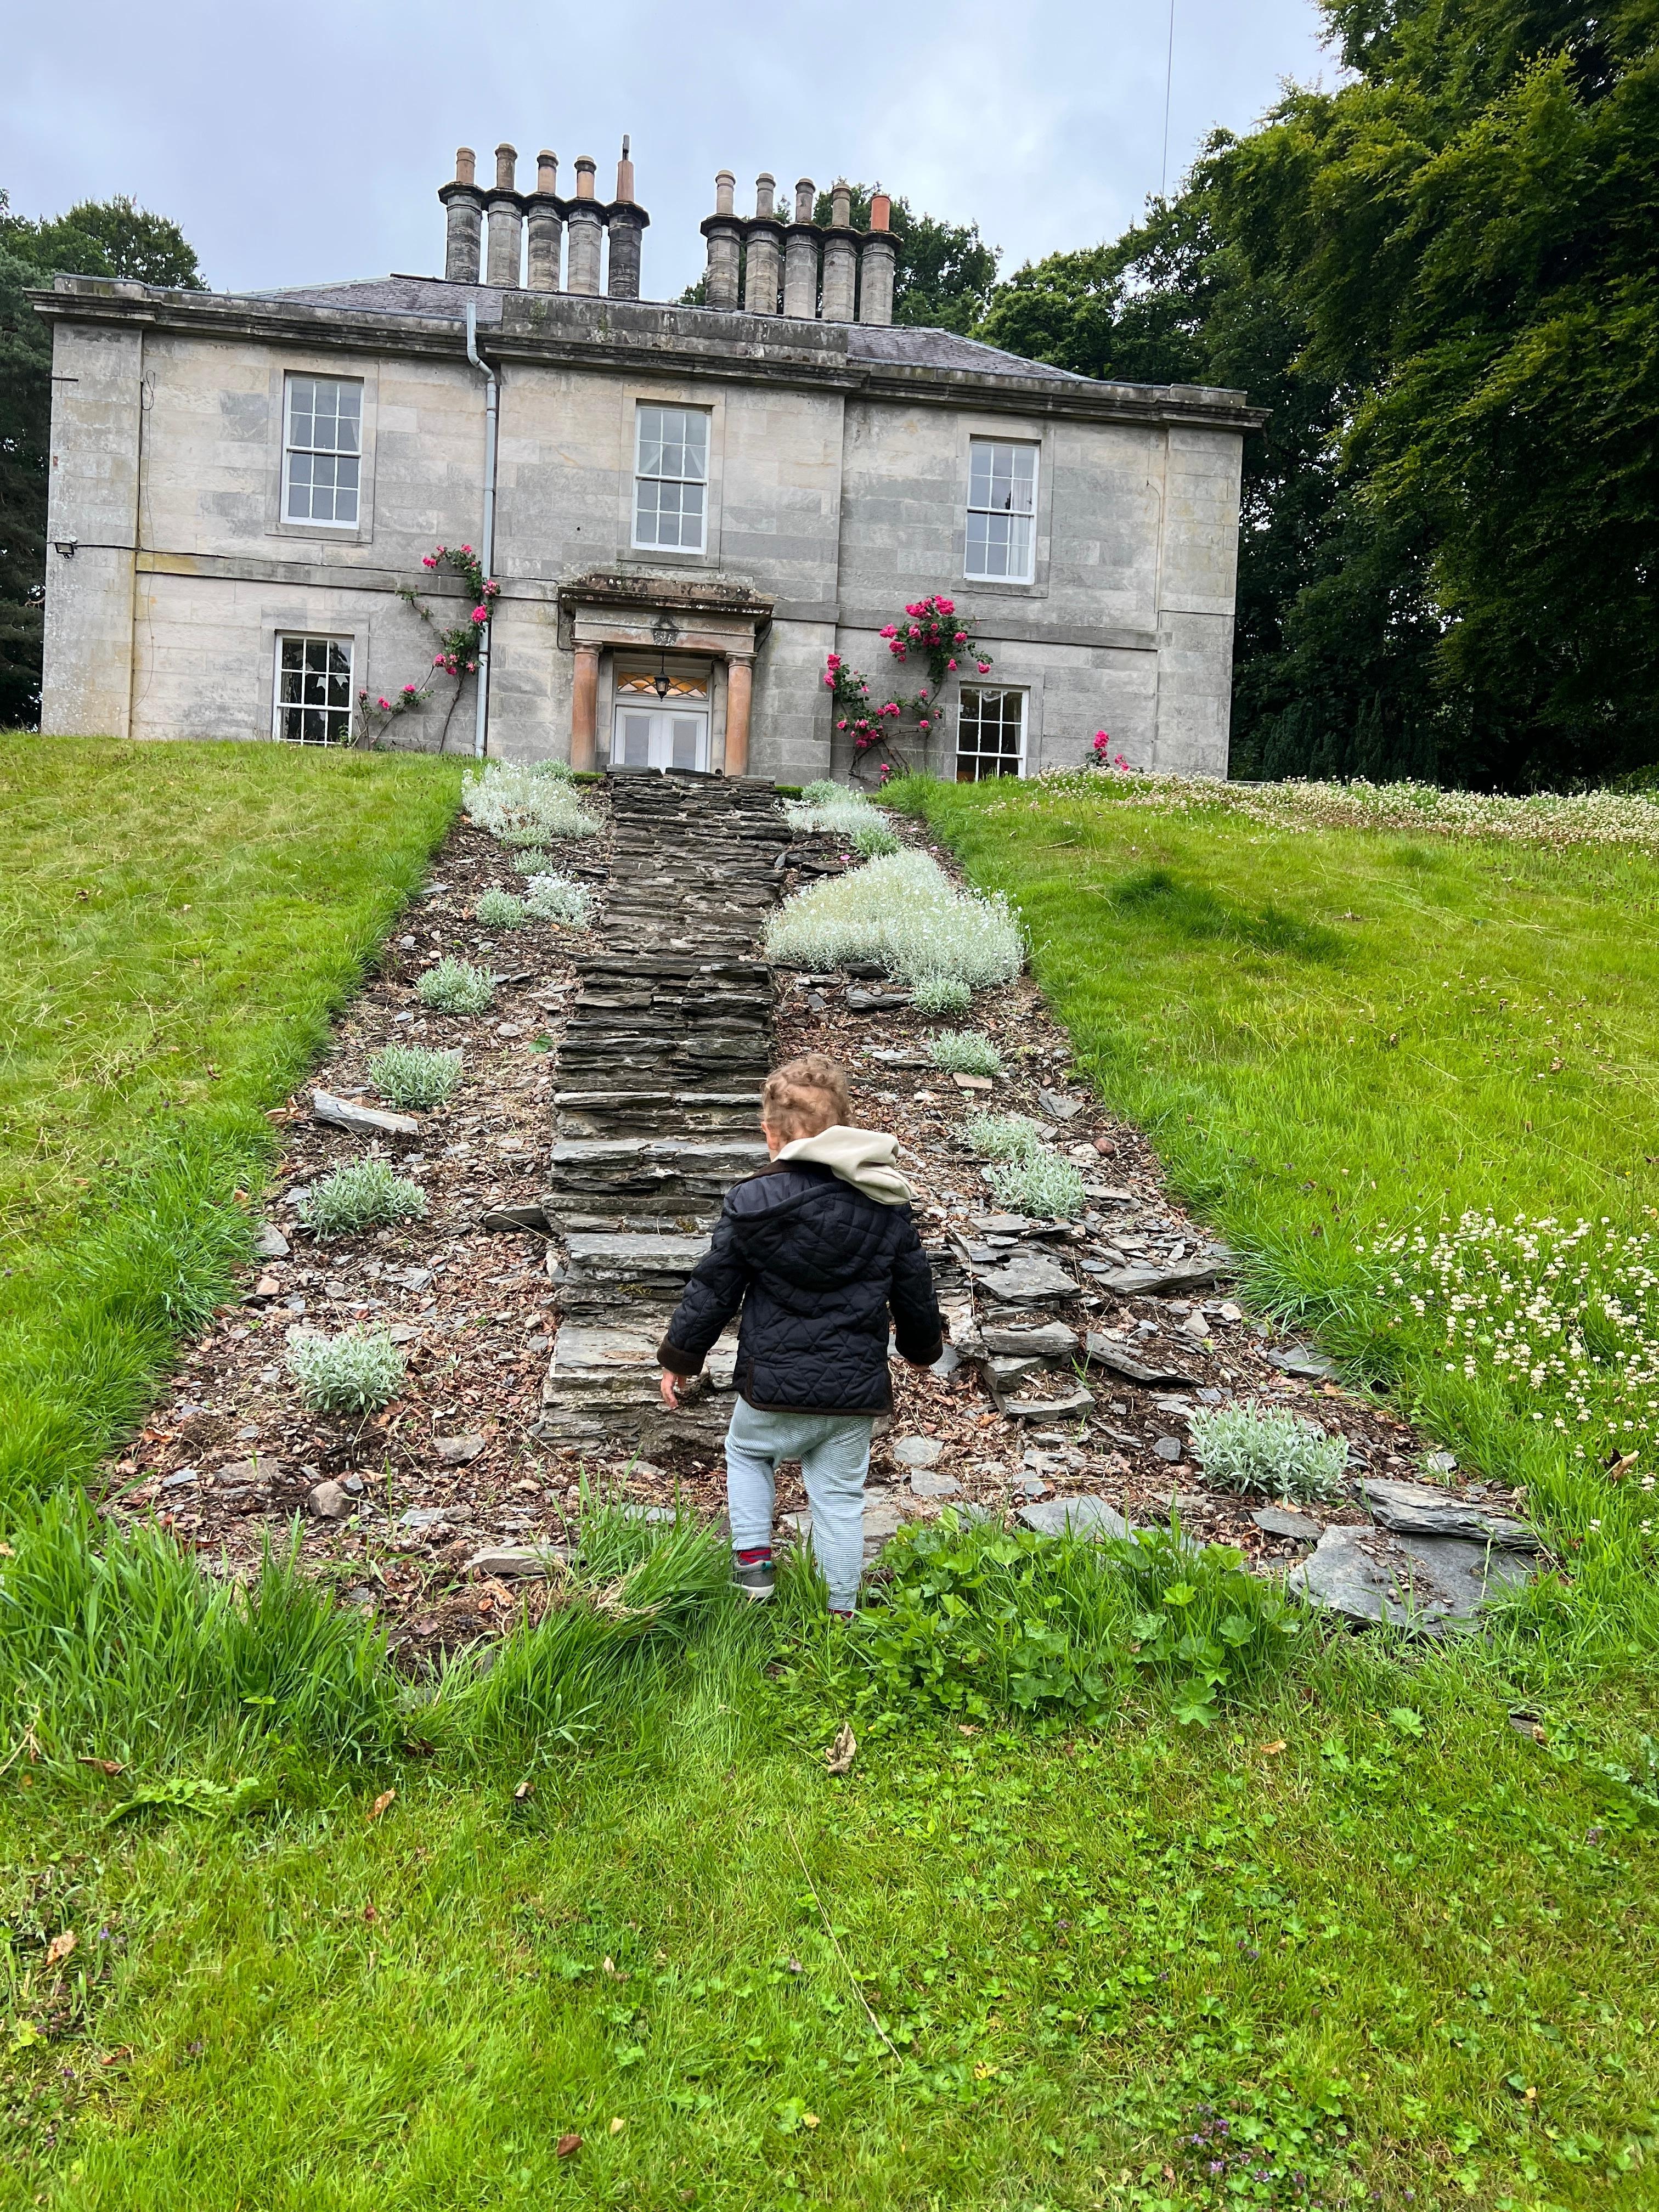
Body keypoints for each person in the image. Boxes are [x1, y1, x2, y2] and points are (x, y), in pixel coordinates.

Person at [657, 1051, 945, 1612]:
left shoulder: (753, 1201)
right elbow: (914, 1288)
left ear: (770, 1135)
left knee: (745, 1453)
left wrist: (681, 1357)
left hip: (773, 1383)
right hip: (853, 1389)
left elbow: (714, 1288)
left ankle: (754, 1569)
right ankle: (841, 1611)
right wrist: (921, 1348)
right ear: (842, 1127)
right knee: (837, 1499)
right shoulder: (886, 1203)